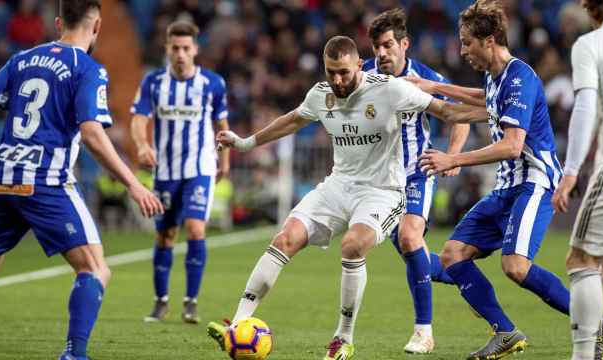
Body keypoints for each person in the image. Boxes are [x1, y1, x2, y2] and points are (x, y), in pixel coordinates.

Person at [206, 35, 486, 360]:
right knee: (284, 238)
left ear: (358, 65)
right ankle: (238, 323)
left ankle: (343, 337)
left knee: (352, 245)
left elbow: (448, 113)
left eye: (344, 72)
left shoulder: (389, 89)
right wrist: (244, 143)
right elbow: (293, 120)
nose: (337, 80)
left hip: (383, 192)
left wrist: (495, 112)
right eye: (331, 72)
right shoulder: (321, 94)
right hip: (338, 185)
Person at [0, 1, 164, 359]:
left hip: (4, 178)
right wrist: (133, 184)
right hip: (46, 181)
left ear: (59, 22)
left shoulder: (20, 59)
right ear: (97, 28)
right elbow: (92, 133)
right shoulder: (88, 69)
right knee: (95, 269)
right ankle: (75, 354)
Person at [408, 1, 576, 359]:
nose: (462, 50)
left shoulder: (520, 77)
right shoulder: (495, 77)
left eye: (468, 42)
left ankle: (589, 318)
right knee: (453, 255)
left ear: (490, 40)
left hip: (535, 181)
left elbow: (514, 146)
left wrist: (453, 158)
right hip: (507, 186)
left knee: (515, 266)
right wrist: (428, 87)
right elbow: (482, 100)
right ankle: (505, 332)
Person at [363, 8, 470, 353]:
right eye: (377, 47)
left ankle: (424, 333)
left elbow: (461, 116)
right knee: (423, 260)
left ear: (404, 44)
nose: (382, 53)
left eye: (388, 45)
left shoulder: (425, 78)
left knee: (410, 238)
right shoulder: (363, 75)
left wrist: (452, 155)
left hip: (415, 173)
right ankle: (475, 284)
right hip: (379, 182)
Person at [130, 20, 230, 324]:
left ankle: (191, 302)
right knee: (165, 235)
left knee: (196, 229)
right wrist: (142, 145)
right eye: (175, 48)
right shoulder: (153, 82)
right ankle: (161, 302)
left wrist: (225, 161)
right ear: (167, 49)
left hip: (199, 168)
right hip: (166, 171)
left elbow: (221, 124)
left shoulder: (213, 83)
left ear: (195, 49)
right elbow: (138, 118)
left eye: (186, 48)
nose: (181, 54)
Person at [551, 1, 603, 359]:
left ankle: (584, 354)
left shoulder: (590, 45)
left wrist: (571, 170)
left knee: (581, 260)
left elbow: (586, 108)